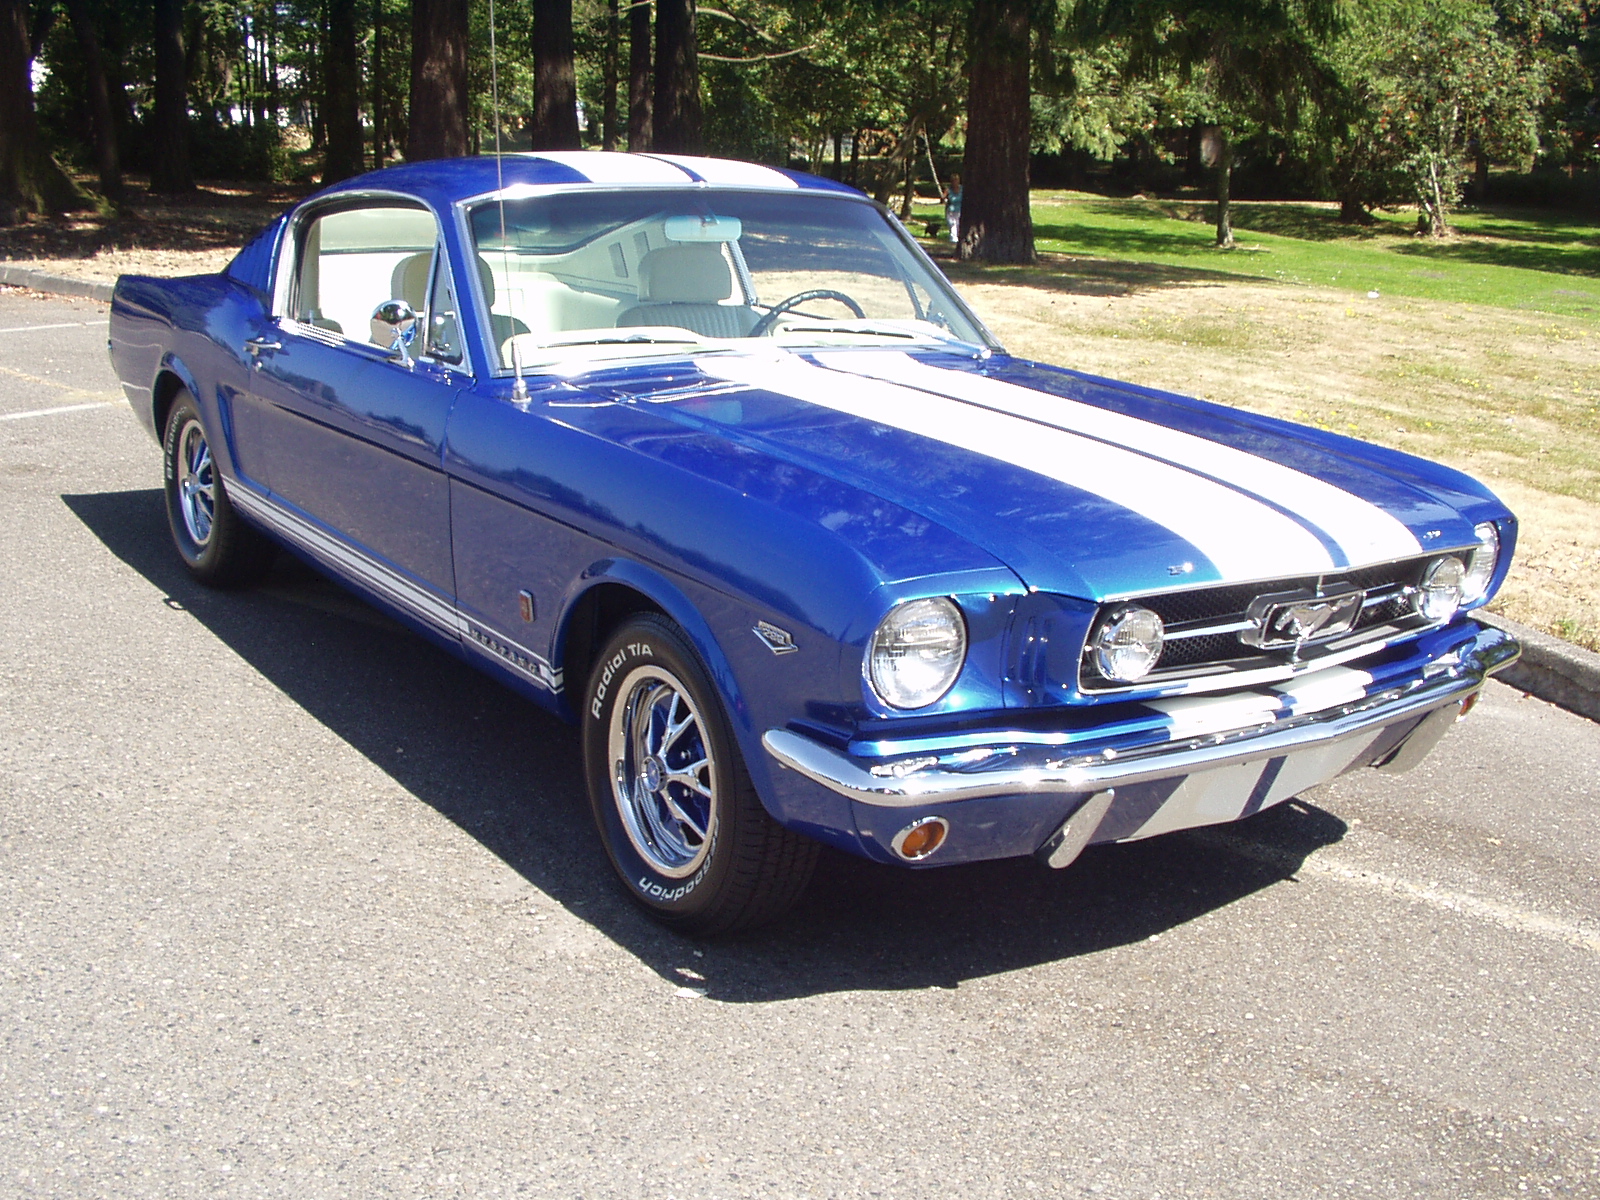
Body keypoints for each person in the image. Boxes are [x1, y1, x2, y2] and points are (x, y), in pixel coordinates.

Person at [943, 174, 962, 243]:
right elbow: (942, 198)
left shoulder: (962, 189)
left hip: (959, 210)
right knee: (952, 224)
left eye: (956, 180)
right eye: (953, 181)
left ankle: (958, 238)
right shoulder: (948, 190)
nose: (955, 182)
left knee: (958, 224)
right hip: (951, 210)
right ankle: (953, 239)